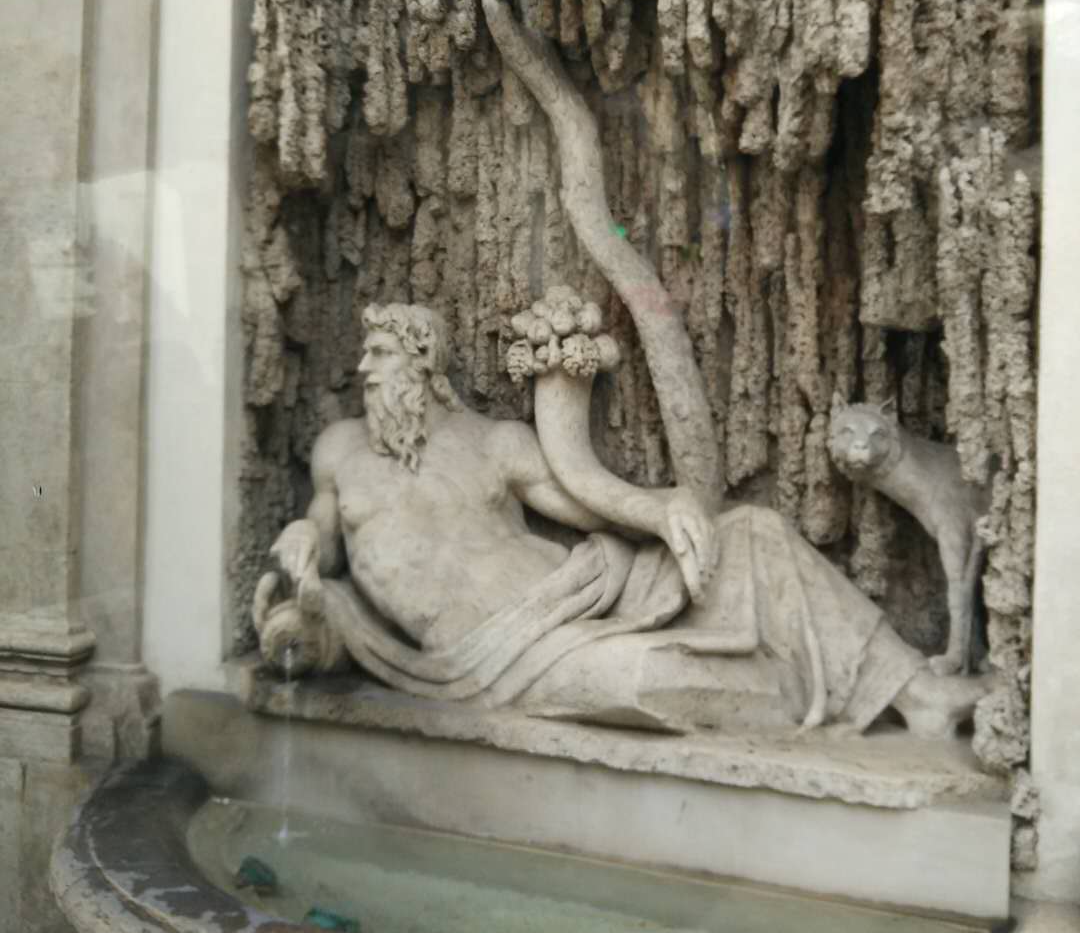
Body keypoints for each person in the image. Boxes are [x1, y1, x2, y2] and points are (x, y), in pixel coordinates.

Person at [256, 302, 987, 740]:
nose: (365, 368)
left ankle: (917, 694)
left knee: (753, 532)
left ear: (423, 363)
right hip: (490, 656)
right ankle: (796, 686)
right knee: (648, 676)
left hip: (577, 590)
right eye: (366, 354)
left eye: (381, 353)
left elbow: (588, 501)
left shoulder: (491, 442)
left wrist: (664, 508)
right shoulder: (339, 451)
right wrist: (303, 536)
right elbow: (325, 541)